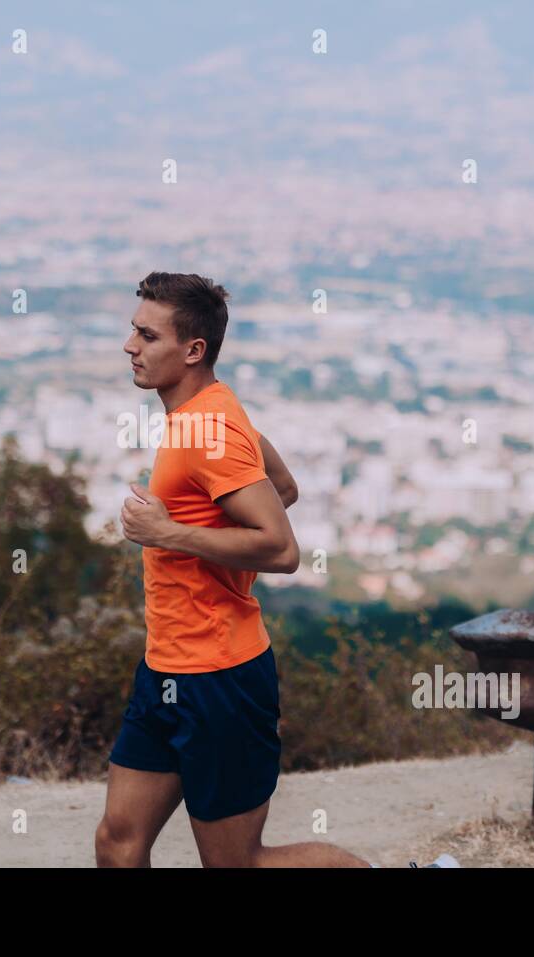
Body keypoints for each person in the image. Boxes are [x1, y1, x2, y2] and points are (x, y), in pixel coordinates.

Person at [94, 271, 373, 868]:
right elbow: (284, 486)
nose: (130, 346)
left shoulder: (209, 429)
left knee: (236, 863)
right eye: (132, 330)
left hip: (220, 677)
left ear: (193, 350)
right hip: (166, 668)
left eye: (147, 335)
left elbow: (281, 548)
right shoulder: (207, 411)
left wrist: (166, 533)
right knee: (119, 842)